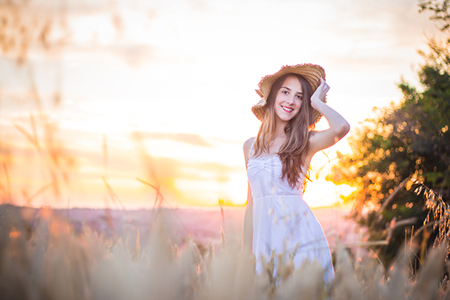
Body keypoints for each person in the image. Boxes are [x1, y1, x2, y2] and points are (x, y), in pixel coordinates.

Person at [243, 64, 350, 283]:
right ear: (272, 97)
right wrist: (245, 254)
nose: (291, 101)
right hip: (263, 243)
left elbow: (341, 128)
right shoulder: (250, 146)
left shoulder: (305, 142)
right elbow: (250, 203)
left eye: (299, 96)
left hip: (301, 240)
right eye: (285, 92)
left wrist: (317, 103)